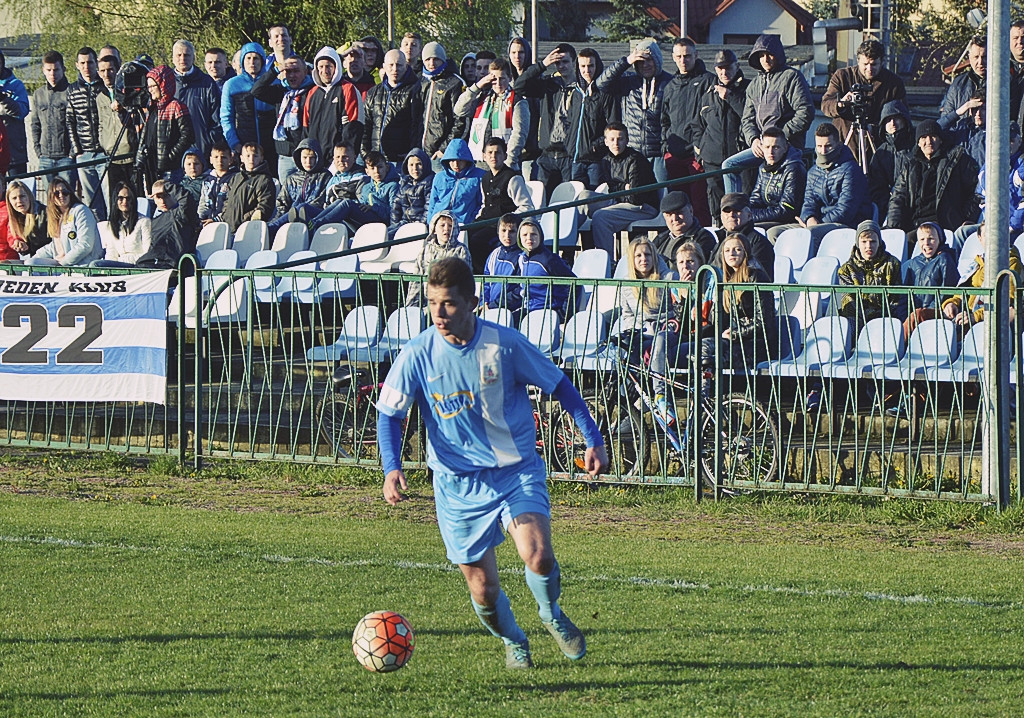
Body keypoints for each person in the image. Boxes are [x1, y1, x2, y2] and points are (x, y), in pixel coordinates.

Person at [379, 256, 605, 669]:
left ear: (472, 301)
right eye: (432, 303)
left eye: (447, 303)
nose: (439, 314)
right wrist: (391, 467)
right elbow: (389, 415)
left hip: (515, 471)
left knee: (538, 556)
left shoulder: (503, 344)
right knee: (482, 589)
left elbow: (561, 387)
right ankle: (515, 640)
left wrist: (592, 438)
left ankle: (551, 614)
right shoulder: (417, 354)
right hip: (457, 486)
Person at [727, 33, 814, 194]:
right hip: (761, 147)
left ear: (778, 55)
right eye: (761, 55)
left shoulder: (792, 77)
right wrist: (753, 140)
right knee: (729, 166)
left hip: (788, 147)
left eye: (770, 54)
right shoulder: (754, 84)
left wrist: (780, 138)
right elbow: (747, 119)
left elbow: (805, 112)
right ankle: (734, 208)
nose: (765, 59)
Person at [767, 123, 871, 246]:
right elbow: (809, 202)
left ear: (838, 144)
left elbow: (846, 211)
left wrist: (818, 223)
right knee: (774, 233)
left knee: (811, 233)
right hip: (815, 223)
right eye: (819, 146)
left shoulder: (851, 170)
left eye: (828, 146)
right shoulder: (813, 171)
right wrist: (809, 217)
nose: (823, 151)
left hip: (846, 224)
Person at [512, 43, 588, 197]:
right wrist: (543, 64)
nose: (561, 66)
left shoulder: (583, 88)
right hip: (547, 154)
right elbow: (519, 86)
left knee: (569, 201)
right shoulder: (549, 84)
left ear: (574, 62)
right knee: (541, 201)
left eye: (565, 61)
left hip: (569, 156)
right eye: (557, 62)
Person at [595, 37, 674, 182]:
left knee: (661, 195)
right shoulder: (628, 82)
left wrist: (666, 147)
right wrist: (627, 61)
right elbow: (601, 84)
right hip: (634, 153)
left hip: (659, 153)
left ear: (657, 60)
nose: (645, 65)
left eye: (649, 60)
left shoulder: (669, 82)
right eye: (640, 61)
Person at [884, 119, 980, 238]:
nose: (928, 141)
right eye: (924, 137)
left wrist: (965, 219)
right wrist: (893, 227)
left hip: (944, 225)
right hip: (914, 224)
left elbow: (976, 193)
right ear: (918, 142)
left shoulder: (957, 160)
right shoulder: (910, 164)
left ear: (940, 140)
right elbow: (898, 197)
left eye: (933, 136)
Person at [648, 241, 708, 424]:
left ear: (699, 263)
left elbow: (708, 320)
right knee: (659, 339)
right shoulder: (677, 285)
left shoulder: (710, 281)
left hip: (704, 335)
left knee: (679, 353)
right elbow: (681, 323)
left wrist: (696, 295)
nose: (686, 266)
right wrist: (682, 297)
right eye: (681, 262)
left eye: (690, 261)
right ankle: (661, 396)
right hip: (684, 335)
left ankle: (697, 410)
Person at [820, 39, 906, 166]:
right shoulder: (842, 76)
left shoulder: (893, 83)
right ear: (858, 60)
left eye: (874, 64)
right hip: (845, 140)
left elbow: (902, 114)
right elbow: (825, 105)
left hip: (878, 144)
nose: (869, 69)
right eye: (865, 64)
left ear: (882, 62)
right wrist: (841, 103)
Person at [661, 38, 716, 222]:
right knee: (677, 207)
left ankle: (702, 245)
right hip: (674, 155)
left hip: (697, 155)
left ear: (696, 55)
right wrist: (665, 146)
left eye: (687, 56)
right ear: (673, 58)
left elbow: (712, 119)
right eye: (679, 56)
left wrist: (702, 148)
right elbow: (664, 119)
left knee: (700, 205)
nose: (683, 60)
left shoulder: (708, 81)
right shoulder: (670, 86)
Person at [692, 49, 749, 218]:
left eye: (728, 67)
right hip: (713, 160)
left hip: (740, 159)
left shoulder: (748, 89)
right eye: (720, 68)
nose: (724, 72)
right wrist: (700, 152)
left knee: (740, 204)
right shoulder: (708, 93)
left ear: (736, 66)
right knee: (717, 208)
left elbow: (750, 117)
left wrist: (731, 97)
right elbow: (697, 125)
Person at [708, 232, 777, 370]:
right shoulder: (724, 281)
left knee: (714, 355)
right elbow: (717, 320)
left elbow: (763, 322)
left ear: (745, 252)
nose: (731, 253)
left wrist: (735, 333)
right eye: (727, 250)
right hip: (734, 340)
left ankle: (707, 390)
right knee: (702, 348)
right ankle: (705, 390)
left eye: (737, 249)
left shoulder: (756, 276)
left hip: (756, 343)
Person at [588, 122, 659, 256]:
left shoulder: (635, 160)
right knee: (583, 198)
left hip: (643, 207)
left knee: (600, 217)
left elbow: (635, 197)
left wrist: (617, 189)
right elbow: (612, 189)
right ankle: (581, 251)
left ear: (627, 140)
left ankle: (606, 262)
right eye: (612, 139)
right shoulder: (606, 161)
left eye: (620, 139)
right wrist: (622, 187)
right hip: (619, 201)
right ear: (606, 142)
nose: (616, 143)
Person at [467, 137, 534, 272]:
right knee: (463, 235)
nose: (493, 156)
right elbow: (485, 204)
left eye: (497, 152)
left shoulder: (513, 178)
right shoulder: (485, 178)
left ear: (505, 156)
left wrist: (508, 219)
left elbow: (527, 206)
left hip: (501, 225)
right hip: (484, 221)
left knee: (477, 241)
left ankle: (483, 277)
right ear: (484, 156)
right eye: (490, 153)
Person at [940, 221, 1022, 331]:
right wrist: (953, 303)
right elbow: (963, 289)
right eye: (986, 235)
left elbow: (1007, 299)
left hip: (984, 320)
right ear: (980, 238)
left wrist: (975, 316)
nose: (991, 239)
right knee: (920, 317)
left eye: (995, 234)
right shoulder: (977, 263)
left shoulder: (1011, 263)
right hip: (963, 314)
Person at [251, 55, 316, 186]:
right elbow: (256, 90)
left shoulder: (313, 91)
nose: (292, 75)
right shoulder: (281, 92)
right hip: (284, 155)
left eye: (296, 71)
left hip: (306, 154)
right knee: (285, 196)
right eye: (288, 71)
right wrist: (276, 70)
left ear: (305, 71)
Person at [455, 58, 530, 171]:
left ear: (509, 78)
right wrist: (478, 85)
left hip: (503, 162)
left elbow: (519, 134)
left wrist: (509, 159)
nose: (498, 83)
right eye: (494, 79)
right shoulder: (483, 97)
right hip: (479, 161)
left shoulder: (517, 100)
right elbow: (459, 109)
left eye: (502, 79)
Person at [837, 219, 904, 332]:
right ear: (858, 243)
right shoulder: (846, 269)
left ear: (879, 242)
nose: (869, 246)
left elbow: (895, 299)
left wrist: (879, 318)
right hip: (856, 318)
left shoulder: (892, 264)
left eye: (873, 241)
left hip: (885, 318)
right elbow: (849, 302)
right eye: (864, 242)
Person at [614, 236, 672, 364]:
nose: (643, 259)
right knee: (624, 345)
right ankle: (630, 383)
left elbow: (676, 311)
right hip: (639, 330)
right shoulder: (626, 283)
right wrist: (637, 329)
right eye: (638, 256)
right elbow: (627, 314)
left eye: (647, 254)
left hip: (663, 331)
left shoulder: (669, 278)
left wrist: (655, 326)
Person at [220, 43, 276, 172]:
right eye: (248, 58)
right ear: (242, 61)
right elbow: (226, 117)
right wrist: (234, 143)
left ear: (262, 61)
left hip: (270, 146)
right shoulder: (232, 84)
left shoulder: (273, 82)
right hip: (245, 146)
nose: (252, 62)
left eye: (256, 58)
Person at [136, 65, 194, 191]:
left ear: (162, 85)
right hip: (151, 167)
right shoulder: (152, 108)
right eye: (148, 86)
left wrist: (170, 157)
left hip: (170, 169)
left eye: (153, 86)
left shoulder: (176, 106)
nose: (150, 90)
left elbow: (188, 136)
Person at [361, 49, 423, 163]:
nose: (395, 69)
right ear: (384, 66)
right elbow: (366, 125)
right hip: (374, 160)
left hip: (401, 160)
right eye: (391, 65)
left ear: (406, 66)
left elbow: (417, 125)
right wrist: (365, 153)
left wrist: (412, 153)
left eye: (399, 65)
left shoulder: (416, 91)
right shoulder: (373, 92)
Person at [65, 47, 105, 219]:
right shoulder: (72, 90)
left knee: (110, 199)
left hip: (105, 152)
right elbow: (70, 121)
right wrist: (77, 150)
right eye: (82, 63)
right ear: (77, 65)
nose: (86, 66)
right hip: (85, 154)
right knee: (91, 201)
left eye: (90, 62)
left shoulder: (104, 86)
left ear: (96, 63)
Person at [901, 221, 959, 338]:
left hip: (938, 311)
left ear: (940, 239)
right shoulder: (914, 263)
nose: (926, 243)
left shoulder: (945, 259)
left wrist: (926, 309)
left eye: (931, 238)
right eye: (922, 240)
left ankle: (897, 347)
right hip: (914, 312)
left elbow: (946, 292)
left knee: (917, 315)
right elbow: (905, 293)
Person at [304, 46, 365, 158]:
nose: (324, 71)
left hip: (338, 161)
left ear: (336, 67)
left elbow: (354, 126)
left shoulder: (348, 89)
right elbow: (306, 127)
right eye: (321, 67)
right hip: (315, 160)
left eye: (328, 66)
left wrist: (344, 157)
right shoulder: (312, 93)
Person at [27, 178, 102, 266]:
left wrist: (63, 263)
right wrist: (35, 257)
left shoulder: (81, 211)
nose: (61, 195)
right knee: (30, 263)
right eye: (56, 193)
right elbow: (56, 247)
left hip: (82, 264)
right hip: (62, 263)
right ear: (51, 197)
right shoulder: (57, 216)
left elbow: (85, 245)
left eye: (65, 192)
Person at [405, 211, 472, 306]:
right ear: (434, 229)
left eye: (450, 226)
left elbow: (465, 281)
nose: (446, 229)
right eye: (442, 225)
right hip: (427, 304)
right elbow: (416, 282)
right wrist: (411, 307)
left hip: (451, 304)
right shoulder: (425, 250)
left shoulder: (461, 250)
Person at [172, 39, 223, 160]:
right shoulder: (166, 83)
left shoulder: (207, 83)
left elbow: (217, 119)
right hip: (173, 152)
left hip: (201, 152)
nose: (182, 59)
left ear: (193, 57)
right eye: (179, 55)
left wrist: (208, 141)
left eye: (187, 55)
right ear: (173, 58)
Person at [96, 54, 136, 206]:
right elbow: (101, 123)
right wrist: (104, 142)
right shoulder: (100, 96)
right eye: (103, 71)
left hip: (129, 153)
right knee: (115, 199)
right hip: (111, 155)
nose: (107, 74)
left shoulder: (129, 92)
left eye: (110, 70)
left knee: (133, 196)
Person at [748, 126, 806, 228]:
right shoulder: (763, 168)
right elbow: (755, 200)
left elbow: (786, 210)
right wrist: (744, 212)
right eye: (767, 147)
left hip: (787, 221)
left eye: (776, 147)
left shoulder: (794, 168)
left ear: (785, 148)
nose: (770, 152)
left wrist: (750, 216)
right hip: (768, 216)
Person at [421, 42, 466, 172]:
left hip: (441, 154)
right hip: (422, 153)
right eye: (428, 59)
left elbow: (460, 120)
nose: (432, 63)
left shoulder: (455, 83)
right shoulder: (421, 82)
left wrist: (445, 149)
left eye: (436, 59)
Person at [134, 180, 201, 269]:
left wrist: (167, 186)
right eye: (158, 197)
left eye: (166, 195)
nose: (162, 200)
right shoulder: (153, 222)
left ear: (173, 194)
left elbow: (186, 199)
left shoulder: (182, 214)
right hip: (153, 262)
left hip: (174, 264)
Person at [31, 51, 74, 187]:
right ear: (43, 70)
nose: (52, 74)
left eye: (56, 70)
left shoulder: (71, 92)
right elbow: (35, 124)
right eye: (49, 70)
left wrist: (72, 153)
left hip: (66, 157)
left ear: (63, 69)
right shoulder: (38, 94)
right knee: (50, 200)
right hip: (45, 157)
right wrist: (38, 151)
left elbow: (77, 124)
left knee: (67, 197)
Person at [868, 101, 915, 225]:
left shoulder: (916, 147)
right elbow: (876, 187)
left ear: (905, 120)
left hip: (915, 207)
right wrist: (889, 203)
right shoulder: (881, 152)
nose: (892, 123)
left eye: (896, 118)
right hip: (889, 208)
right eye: (888, 120)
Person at [517, 217, 574, 318]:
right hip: (529, 309)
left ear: (540, 236)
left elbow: (573, 284)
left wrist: (565, 313)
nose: (529, 238)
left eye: (534, 234)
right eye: (525, 235)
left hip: (549, 311)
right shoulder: (522, 259)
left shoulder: (549, 259)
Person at [268, 138, 329, 231]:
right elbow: (281, 204)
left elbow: (320, 201)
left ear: (318, 157)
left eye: (312, 158)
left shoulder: (325, 176)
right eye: (305, 158)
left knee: (302, 207)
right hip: (291, 216)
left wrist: (299, 209)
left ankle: (272, 228)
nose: (308, 162)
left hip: (314, 216)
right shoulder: (291, 179)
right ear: (299, 158)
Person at [939, 35, 985, 149]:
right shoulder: (958, 84)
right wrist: (963, 109)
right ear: (969, 57)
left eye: (985, 57)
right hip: (962, 149)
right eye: (976, 57)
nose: (980, 62)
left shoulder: (1002, 83)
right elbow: (943, 123)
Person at [427, 138, 486, 226]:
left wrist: (472, 220)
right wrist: (430, 222)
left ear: (467, 160)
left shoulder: (478, 176)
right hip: (439, 223)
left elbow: (481, 203)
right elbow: (433, 202)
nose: (456, 164)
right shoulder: (439, 177)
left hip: (463, 224)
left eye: (460, 160)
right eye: (452, 160)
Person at [91, 182, 152, 267]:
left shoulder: (144, 221)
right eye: (120, 198)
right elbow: (111, 253)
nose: (124, 201)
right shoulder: (112, 224)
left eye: (128, 198)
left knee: (95, 265)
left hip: (136, 265)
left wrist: (122, 259)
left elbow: (147, 253)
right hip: (118, 266)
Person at [220, 142, 275, 233]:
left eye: (255, 156)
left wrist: (245, 219)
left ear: (261, 158)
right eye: (248, 156)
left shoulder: (264, 180)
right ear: (241, 158)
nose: (251, 159)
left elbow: (265, 206)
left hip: (249, 229)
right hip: (229, 226)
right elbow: (227, 199)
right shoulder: (236, 177)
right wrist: (225, 215)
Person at [651, 190, 717, 264]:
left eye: (679, 213)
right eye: (669, 215)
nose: (674, 218)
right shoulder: (660, 239)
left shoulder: (704, 238)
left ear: (691, 211)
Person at [713, 193, 774, 272]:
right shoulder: (721, 240)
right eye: (727, 211)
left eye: (737, 210)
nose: (731, 214)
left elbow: (759, 278)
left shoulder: (759, 242)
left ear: (749, 215)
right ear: (721, 217)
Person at [483, 213, 523, 314]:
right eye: (503, 230)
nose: (507, 235)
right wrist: (484, 302)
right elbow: (486, 281)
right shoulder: (494, 254)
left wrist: (496, 304)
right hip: (490, 308)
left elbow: (520, 290)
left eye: (512, 231)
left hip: (511, 311)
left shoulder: (522, 257)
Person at [390, 148, 434, 239]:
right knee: (384, 237)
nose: (415, 168)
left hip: (419, 226)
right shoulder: (405, 182)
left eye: (419, 164)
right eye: (411, 165)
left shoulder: (430, 182)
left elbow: (428, 208)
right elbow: (396, 205)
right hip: (404, 223)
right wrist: (395, 224)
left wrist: (420, 226)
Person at [0, 50, 30, 175]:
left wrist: (4, 99)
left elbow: (22, 111)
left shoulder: (16, 85)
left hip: (14, 155)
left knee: (18, 191)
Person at [3, 180, 48, 257]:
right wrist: (20, 245)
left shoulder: (45, 213)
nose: (19, 201)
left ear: (29, 196)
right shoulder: (15, 218)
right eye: (14, 198)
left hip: (49, 256)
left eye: (22, 196)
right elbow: (13, 238)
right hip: (34, 259)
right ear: (9, 202)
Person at [198, 140, 237, 224]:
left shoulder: (235, 179)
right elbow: (203, 204)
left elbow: (232, 205)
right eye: (216, 157)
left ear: (230, 159)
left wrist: (217, 219)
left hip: (226, 222)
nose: (220, 161)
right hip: (208, 222)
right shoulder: (207, 180)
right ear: (211, 160)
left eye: (224, 157)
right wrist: (199, 219)